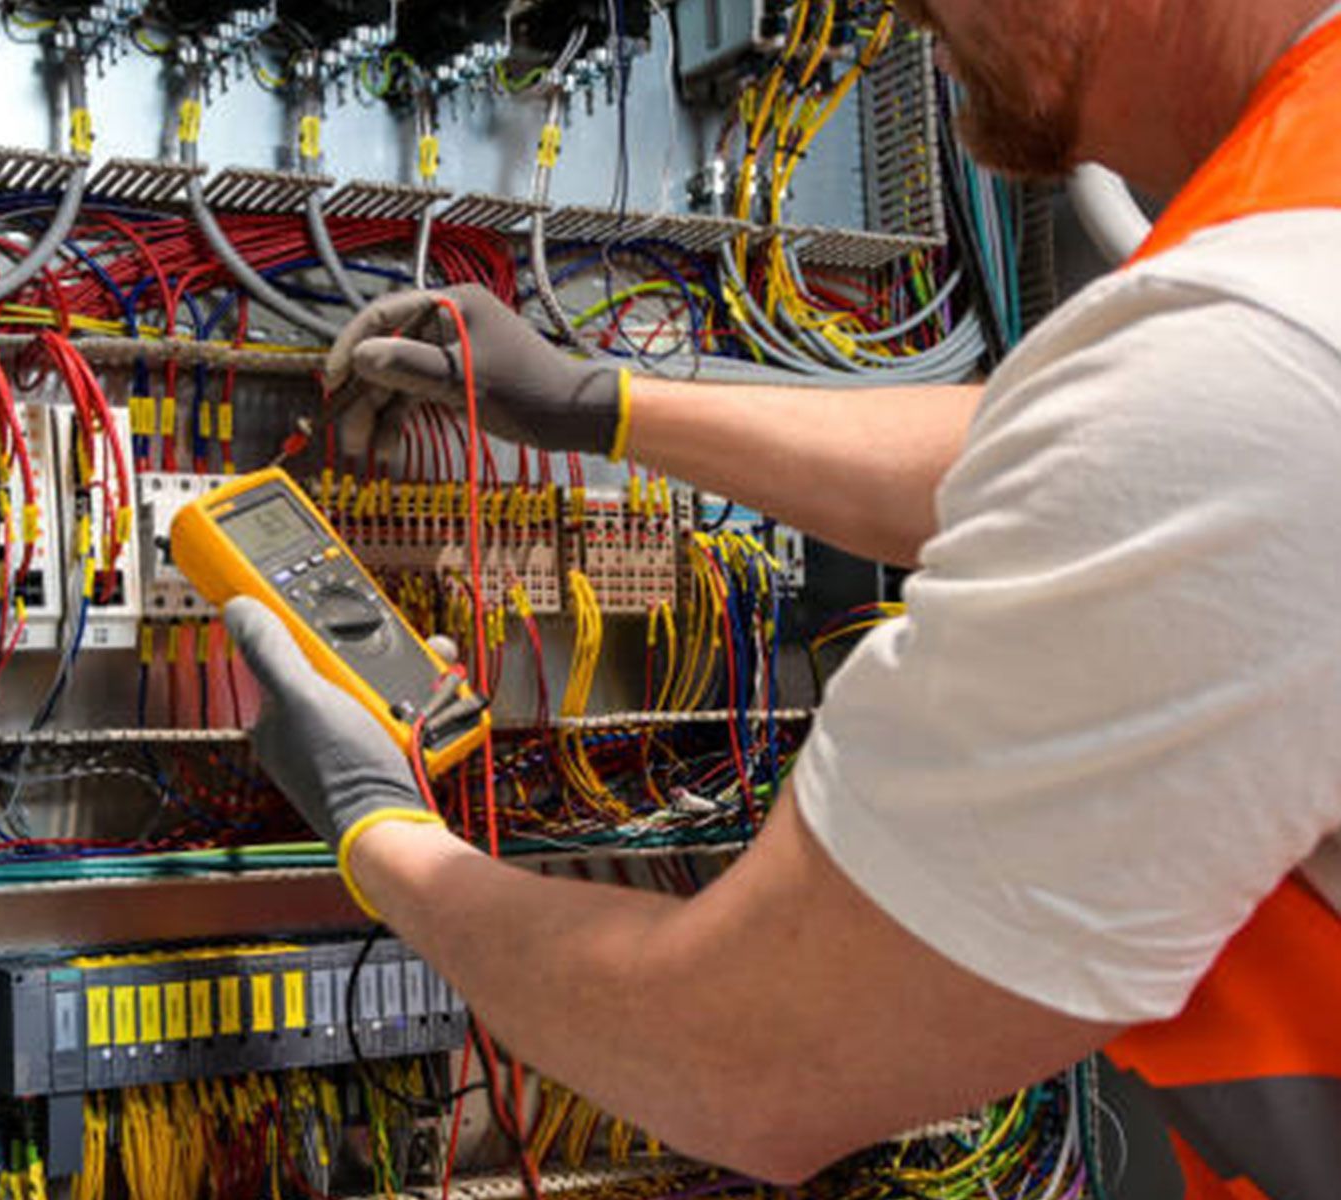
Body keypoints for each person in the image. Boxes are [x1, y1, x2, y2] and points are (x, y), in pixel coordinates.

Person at [223, 0, 1341, 1195]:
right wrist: (601, 405)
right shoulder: (1290, 242)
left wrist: (379, 833)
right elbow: (1088, 452)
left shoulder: (1246, 352)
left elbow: (741, 1058)